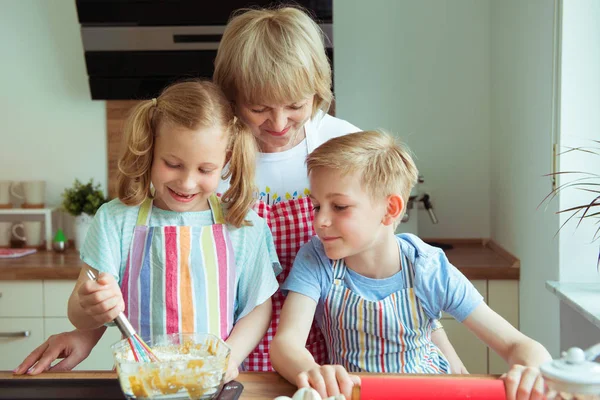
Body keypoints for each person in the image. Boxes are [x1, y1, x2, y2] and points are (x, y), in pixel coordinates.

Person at [14, 5, 464, 376]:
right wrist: (85, 331)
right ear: (231, 99)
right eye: (259, 108)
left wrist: (437, 345)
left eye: (296, 105)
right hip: (230, 356)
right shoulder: (209, 158)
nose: (280, 124)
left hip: (330, 353)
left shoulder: (340, 149)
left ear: (318, 91)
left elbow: (390, 262)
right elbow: (145, 274)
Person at [270, 130, 552, 400]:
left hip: (429, 392)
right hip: (356, 394)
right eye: (317, 206)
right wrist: (313, 372)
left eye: (339, 207)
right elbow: (286, 345)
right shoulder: (316, 258)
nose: (320, 221)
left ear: (390, 209)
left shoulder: (427, 267)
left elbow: (518, 345)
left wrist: (532, 370)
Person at [59, 79, 279, 381]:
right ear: (150, 149)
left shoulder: (243, 226)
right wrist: (91, 304)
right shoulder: (115, 221)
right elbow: (77, 313)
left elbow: (257, 309)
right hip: (140, 383)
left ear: (225, 161)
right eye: (173, 164)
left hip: (212, 381)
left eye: (205, 170)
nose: (187, 183)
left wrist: (229, 357)